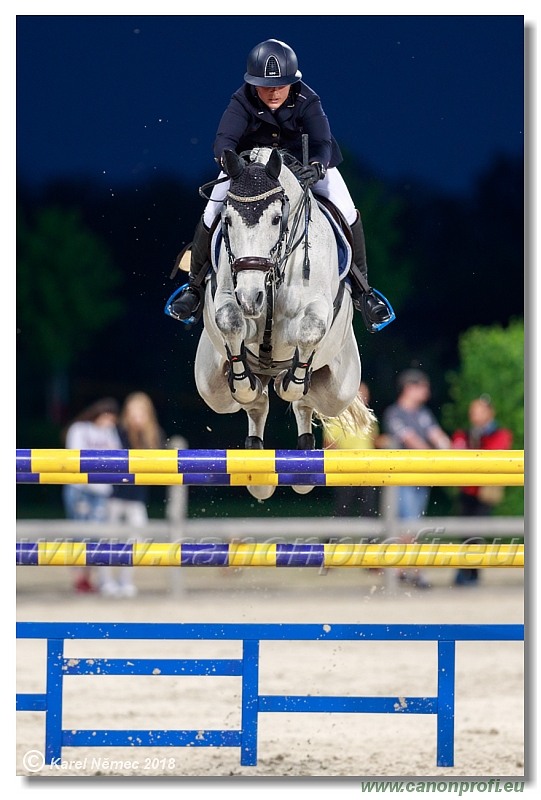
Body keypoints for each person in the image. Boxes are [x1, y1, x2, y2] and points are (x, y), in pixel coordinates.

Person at [168, 38, 393, 333]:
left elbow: (322, 140)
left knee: (347, 211)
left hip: (306, 166)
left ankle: (364, 290)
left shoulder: (307, 99)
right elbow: (224, 140)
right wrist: (231, 164)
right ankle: (194, 288)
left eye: (280, 84)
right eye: (265, 85)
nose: (273, 92)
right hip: (252, 170)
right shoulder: (241, 100)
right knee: (212, 210)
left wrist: (317, 166)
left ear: (293, 81)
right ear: (252, 83)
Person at [382, 369, 451, 589]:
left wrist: (452, 452)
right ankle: (414, 571)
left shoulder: (422, 413)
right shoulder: (394, 413)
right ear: (409, 388)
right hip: (402, 478)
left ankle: (400, 569)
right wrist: (438, 456)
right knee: (410, 525)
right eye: (423, 386)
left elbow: (437, 436)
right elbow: (412, 441)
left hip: (421, 477)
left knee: (411, 526)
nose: (427, 391)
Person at [98, 391, 166, 599]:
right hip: (114, 494)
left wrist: (143, 432)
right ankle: (106, 582)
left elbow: (160, 459)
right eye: (133, 411)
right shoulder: (116, 430)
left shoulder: (153, 433)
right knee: (107, 539)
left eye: (141, 411)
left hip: (137, 497)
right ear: (127, 412)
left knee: (137, 539)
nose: (137, 415)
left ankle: (126, 581)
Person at [61, 397, 122, 593]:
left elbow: (119, 455)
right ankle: (78, 577)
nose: (109, 422)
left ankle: (88, 576)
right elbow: (74, 455)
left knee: (95, 536)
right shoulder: (79, 428)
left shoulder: (109, 432)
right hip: (80, 488)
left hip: (101, 489)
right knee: (79, 533)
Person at [451, 395, 513, 586]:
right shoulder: (467, 433)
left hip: (484, 492)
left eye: (478, 410)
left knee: (476, 533)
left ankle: (472, 573)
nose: (474, 414)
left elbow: (495, 451)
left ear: (489, 413)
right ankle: (465, 571)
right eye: (472, 410)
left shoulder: (499, 433)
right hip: (468, 490)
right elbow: (456, 448)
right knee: (464, 531)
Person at [323, 382, 381, 518]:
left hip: (368, 470)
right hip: (346, 469)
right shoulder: (338, 418)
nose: (364, 399)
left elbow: (373, 440)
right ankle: (332, 538)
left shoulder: (369, 418)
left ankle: (371, 538)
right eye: (360, 396)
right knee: (342, 508)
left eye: (366, 396)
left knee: (369, 509)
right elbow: (329, 445)